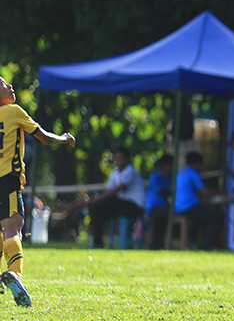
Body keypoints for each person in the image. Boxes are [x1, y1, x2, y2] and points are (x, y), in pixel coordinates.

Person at [0, 75, 76, 306]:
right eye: (3, 83)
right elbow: (43, 137)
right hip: (8, 181)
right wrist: (63, 138)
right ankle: (15, 274)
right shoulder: (13, 111)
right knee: (13, 228)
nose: (10, 85)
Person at [86, 147, 146, 248]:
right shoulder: (115, 173)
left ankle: (98, 243)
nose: (118, 161)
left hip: (135, 206)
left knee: (104, 202)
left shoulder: (130, 171)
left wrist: (96, 200)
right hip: (123, 205)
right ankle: (97, 242)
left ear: (126, 159)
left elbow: (115, 190)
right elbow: (109, 190)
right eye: (116, 158)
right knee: (99, 210)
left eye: (120, 158)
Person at [175, 151, 222, 250]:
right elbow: (203, 191)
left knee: (205, 217)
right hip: (188, 207)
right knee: (217, 218)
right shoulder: (193, 173)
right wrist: (220, 192)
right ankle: (207, 246)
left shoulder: (181, 172)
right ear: (197, 163)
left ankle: (199, 242)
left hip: (178, 207)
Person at [145, 154, 173, 250]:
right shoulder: (155, 177)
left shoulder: (172, 178)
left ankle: (159, 244)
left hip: (164, 207)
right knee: (159, 219)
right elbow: (164, 191)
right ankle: (154, 245)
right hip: (154, 207)